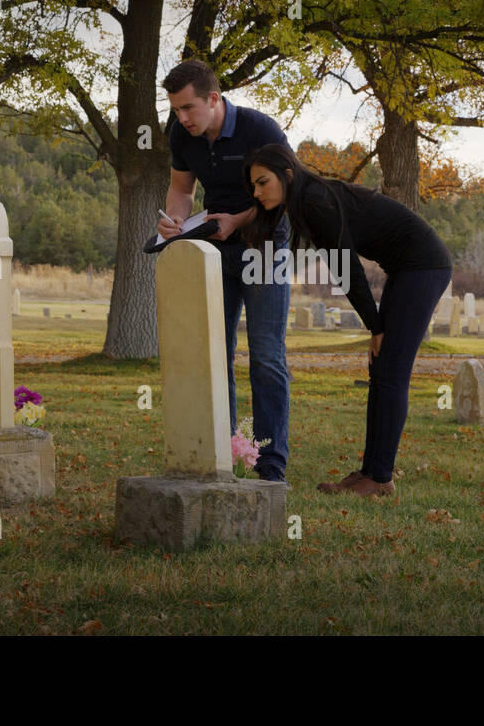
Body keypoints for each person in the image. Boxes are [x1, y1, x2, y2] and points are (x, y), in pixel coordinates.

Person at [240, 143, 452, 497]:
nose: (258, 192)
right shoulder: (308, 200)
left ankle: (380, 477)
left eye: (263, 183)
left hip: (425, 266)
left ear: (287, 175)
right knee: (382, 371)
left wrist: (376, 327)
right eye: (254, 187)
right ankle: (371, 472)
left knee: (392, 372)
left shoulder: (315, 202)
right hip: (407, 268)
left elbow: (347, 270)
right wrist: (377, 327)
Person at [160, 60, 293, 482]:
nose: (182, 119)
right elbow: (182, 189)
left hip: (265, 245)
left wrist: (241, 220)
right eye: (176, 110)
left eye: (188, 108)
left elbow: (288, 190)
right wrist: (175, 223)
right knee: (215, 355)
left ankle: (270, 464)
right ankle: (228, 452)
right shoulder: (182, 133)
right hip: (215, 247)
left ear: (213, 99)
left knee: (266, 356)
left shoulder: (260, 130)